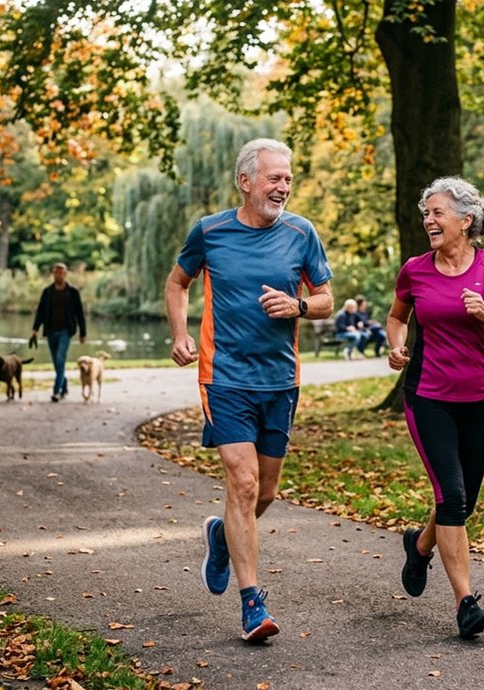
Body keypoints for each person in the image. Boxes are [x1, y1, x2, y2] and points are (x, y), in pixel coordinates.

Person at [164, 138, 334, 643]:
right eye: (273, 178)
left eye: (287, 179)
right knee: (241, 484)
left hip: (280, 380)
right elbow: (177, 283)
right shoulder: (210, 231)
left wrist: (299, 307)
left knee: (264, 492)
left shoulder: (302, 233)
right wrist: (179, 334)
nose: (283, 187)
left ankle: (221, 536)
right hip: (225, 378)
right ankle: (252, 604)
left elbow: (326, 298)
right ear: (246, 181)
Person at [384, 176, 484, 639]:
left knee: (462, 503)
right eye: (426, 212)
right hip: (428, 397)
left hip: (481, 398)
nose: (428, 220)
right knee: (452, 496)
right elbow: (396, 317)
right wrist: (396, 346)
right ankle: (466, 602)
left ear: (466, 221)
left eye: (437, 212)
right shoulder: (415, 270)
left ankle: (420, 545)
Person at [31, 262, 87, 402]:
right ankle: (64, 385)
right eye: (56, 272)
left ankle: (56, 391)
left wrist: (82, 332)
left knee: (61, 358)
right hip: (50, 331)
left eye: (61, 273)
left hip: (65, 331)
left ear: (66, 274)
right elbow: (41, 312)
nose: (59, 275)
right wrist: (35, 329)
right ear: (53, 274)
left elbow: (79, 313)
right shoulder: (47, 292)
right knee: (57, 363)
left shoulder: (72, 292)